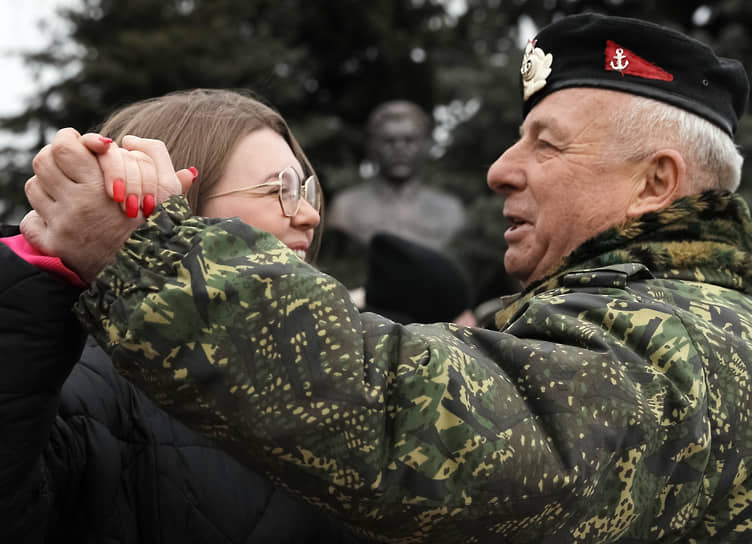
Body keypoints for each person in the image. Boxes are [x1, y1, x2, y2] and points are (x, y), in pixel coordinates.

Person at [20, 13, 752, 543]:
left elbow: (413, 420)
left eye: (546, 143)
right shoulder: (89, 389)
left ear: (657, 182)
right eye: (280, 192)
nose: (501, 169)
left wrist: (143, 254)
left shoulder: (676, 340)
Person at [0, 88, 364, 543]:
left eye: (307, 191)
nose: (309, 214)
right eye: (281, 190)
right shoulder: (90, 386)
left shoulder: (335, 376)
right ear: (177, 204)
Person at [325, 100, 466, 251]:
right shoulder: (345, 208)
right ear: (372, 146)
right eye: (389, 141)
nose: (399, 149)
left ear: (425, 146)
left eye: (409, 141)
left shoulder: (450, 210)